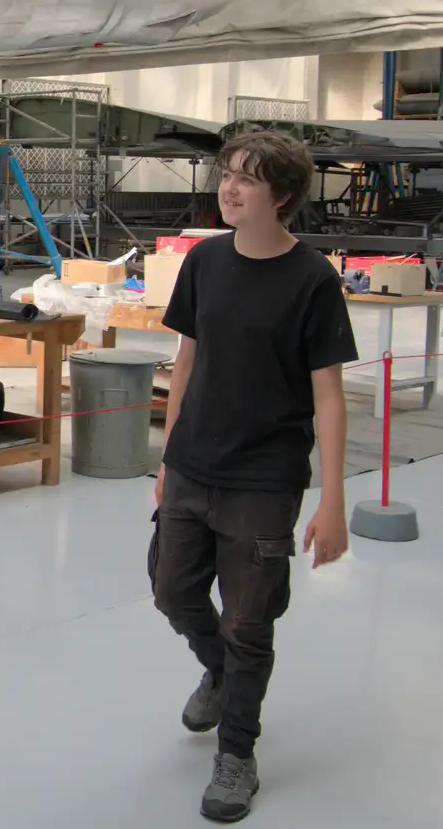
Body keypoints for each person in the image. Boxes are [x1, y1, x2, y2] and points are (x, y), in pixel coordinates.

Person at [151, 130, 357, 823]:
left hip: (264, 481)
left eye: (247, 179)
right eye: (227, 173)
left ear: (285, 196)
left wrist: (333, 501)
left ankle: (237, 752)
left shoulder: (314, 281)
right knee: (172, 593)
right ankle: (219, 673)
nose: (229, 187)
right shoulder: (205, 262)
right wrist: (167, 455)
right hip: (190, 467)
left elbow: (328, 394)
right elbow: (185, 362)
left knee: (249, 623)